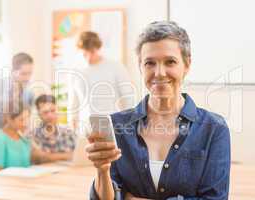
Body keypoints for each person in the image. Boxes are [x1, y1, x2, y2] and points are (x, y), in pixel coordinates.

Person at [86, 21, 231, 200]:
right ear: (140, 67)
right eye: (150, 63)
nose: (159, 72)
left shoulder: (214, 128)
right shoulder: (116, 126)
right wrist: (102, 170)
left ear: (187, 65)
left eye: (170, 62)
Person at [69, 31, 134, 133]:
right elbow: (74, 101)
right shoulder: (76, 72)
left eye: (92, 52)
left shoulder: (115, 67)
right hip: (85, 129)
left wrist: (128, 122)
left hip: (111, 126)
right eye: (85, 53)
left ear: (98, 48)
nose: (88, 57)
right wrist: (72, 120)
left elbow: (128, 96)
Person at [27, 94, 76, 161]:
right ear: (39, 114)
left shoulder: (69, 132)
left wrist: (47, 156)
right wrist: (66, 155)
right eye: (45, 112)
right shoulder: (32, 135)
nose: (50, 115)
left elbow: (76, 155)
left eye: (53, 111)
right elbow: (36, 157)